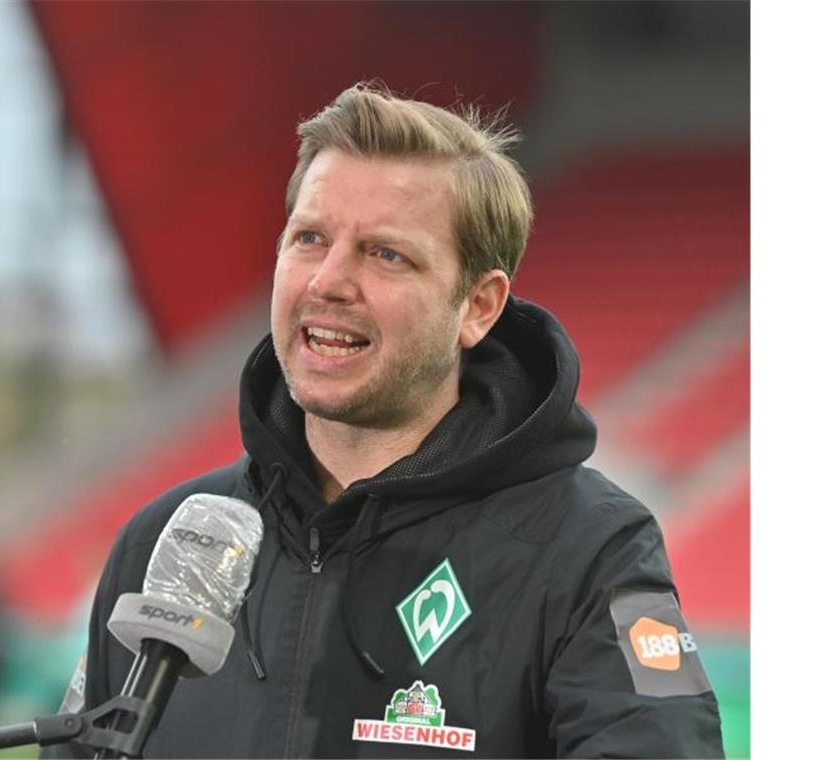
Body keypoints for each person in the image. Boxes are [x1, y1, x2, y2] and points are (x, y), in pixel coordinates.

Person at [48, 83, 724, 758]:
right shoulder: (162, 544)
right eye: (309, 239)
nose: (329, 281)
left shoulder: (585, 547)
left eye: (385, 254)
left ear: (478, 308)